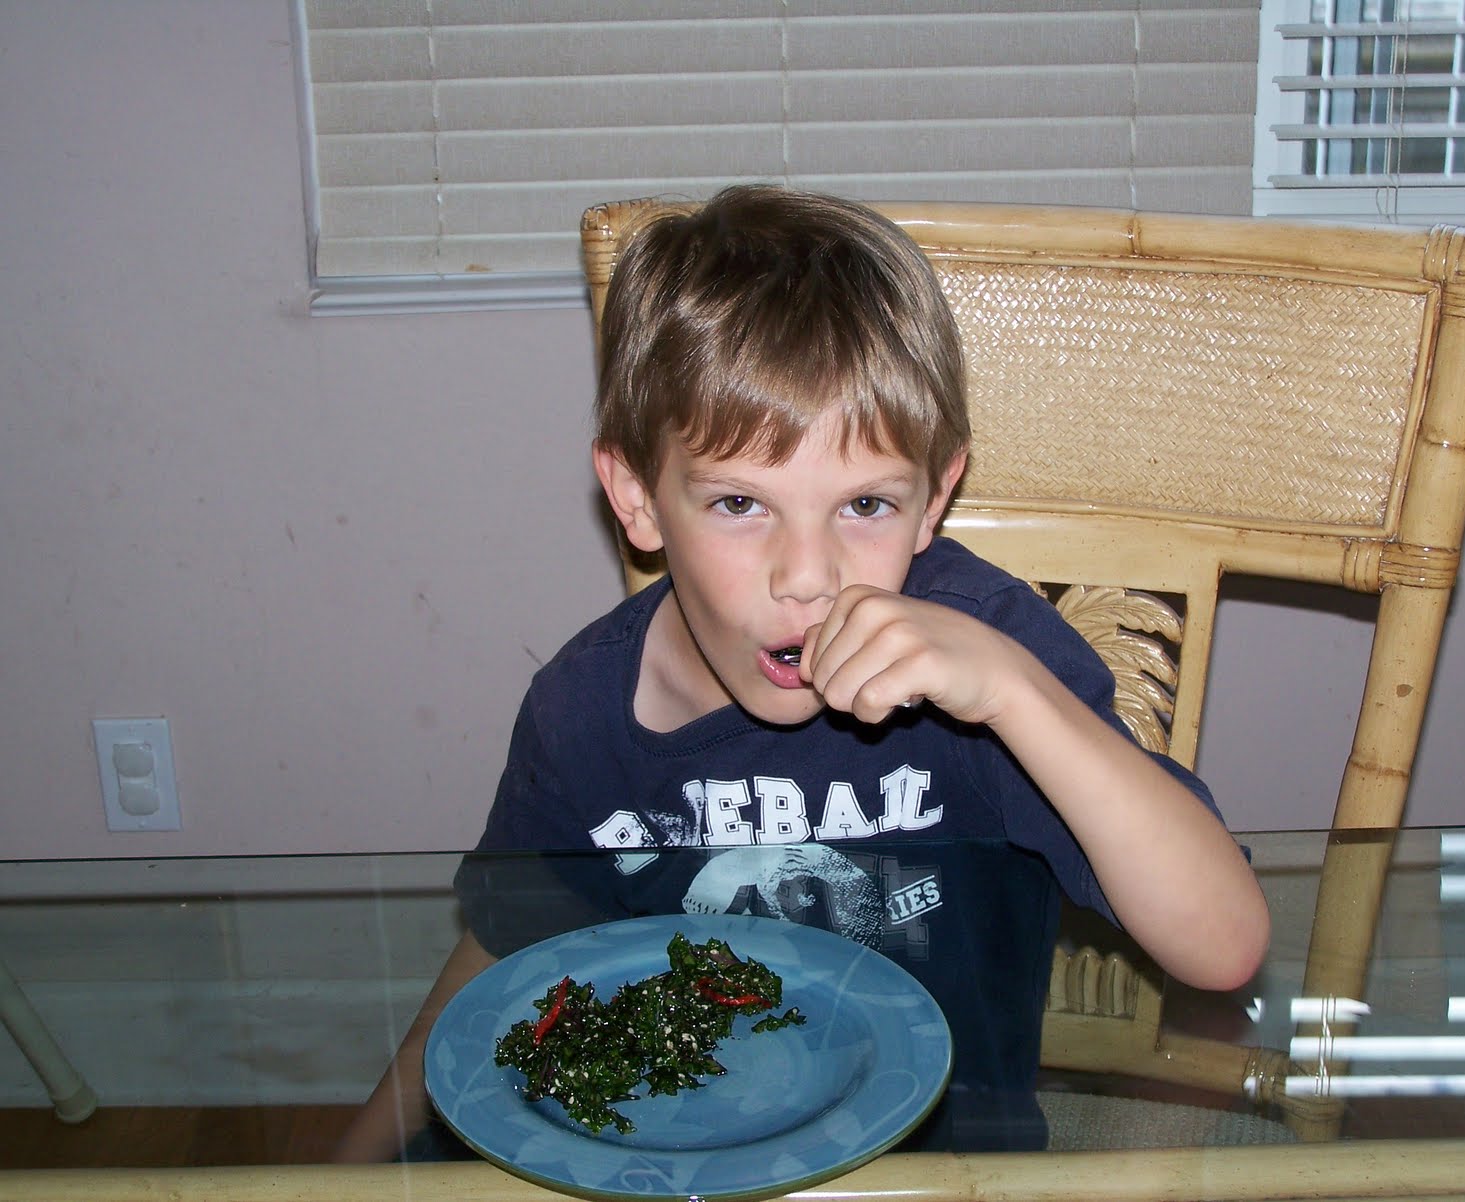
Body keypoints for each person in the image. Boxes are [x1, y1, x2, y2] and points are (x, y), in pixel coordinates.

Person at [334, 184, 1269, 1162]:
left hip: (943, 1167)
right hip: (679, 1158)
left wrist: (1013, 691)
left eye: (864, 503)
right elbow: (504, 948)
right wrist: (346, 1169)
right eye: (741, 501)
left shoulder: (988, 659)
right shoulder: (581, 711)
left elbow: (1223, 943)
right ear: (637, 499)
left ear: (932, 497)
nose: (808, 577)